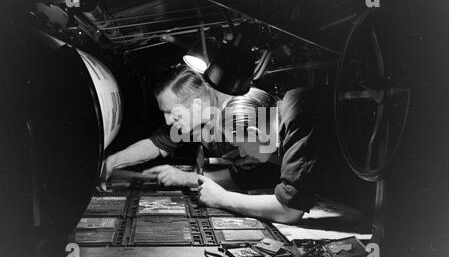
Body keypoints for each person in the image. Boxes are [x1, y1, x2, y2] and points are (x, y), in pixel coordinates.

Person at [197, 86, 343, 224]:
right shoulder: (288, 108)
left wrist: (220, 197)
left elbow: (289, 211)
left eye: (240, 145)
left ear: (255, 133)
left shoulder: (299, 115)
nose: (241, 153)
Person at [105, 66, 255, 188]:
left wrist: (186, 178)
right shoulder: (195, 117)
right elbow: (158, 142)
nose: (169, 121)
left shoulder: (238, 114)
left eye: (171, 113)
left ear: (196, 105)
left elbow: (254, 174)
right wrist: (114, 161)